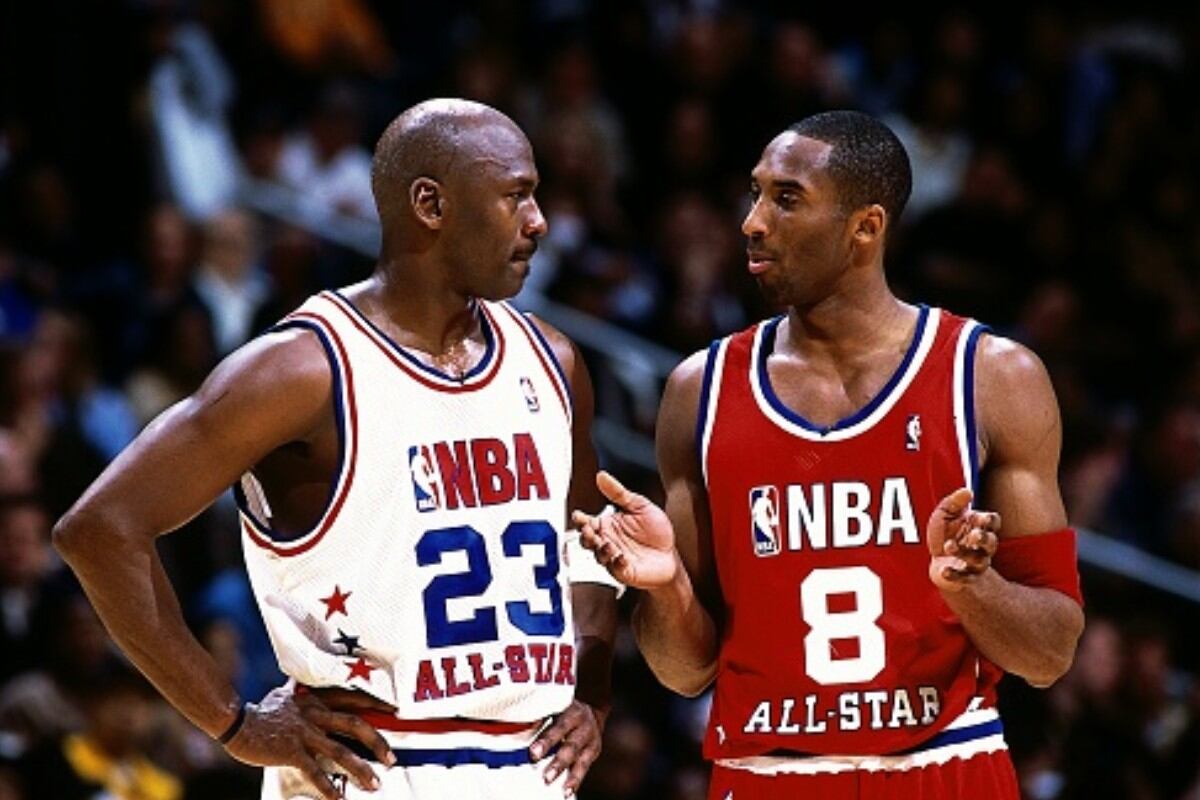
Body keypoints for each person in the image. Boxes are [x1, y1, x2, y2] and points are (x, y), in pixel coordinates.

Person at [52, 98, 618, 800]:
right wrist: (234, 724)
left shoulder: (552, 361)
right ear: (430, 205)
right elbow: (99, 528)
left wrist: (592, 692)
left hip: (529, 767)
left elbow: (588, 543)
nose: (538, 222)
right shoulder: (303, 369)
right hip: (371, 766)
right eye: (516, 196)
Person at [575, 110, 1085, 799]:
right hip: (768, 771)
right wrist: (666, 588)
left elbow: (1051, 654)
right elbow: (684, 671)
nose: (753, 222)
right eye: (755, 194)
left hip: (944, 764)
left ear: (865, 227)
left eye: (787, 199)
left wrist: (974, 588)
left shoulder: (991, 377)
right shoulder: (701, 391)